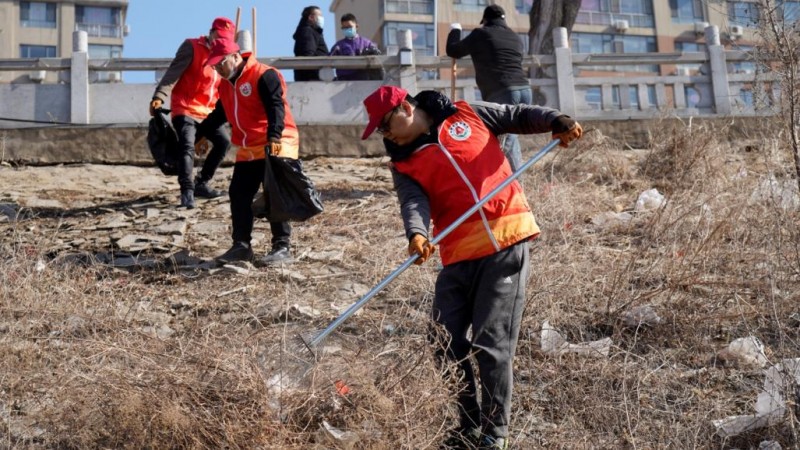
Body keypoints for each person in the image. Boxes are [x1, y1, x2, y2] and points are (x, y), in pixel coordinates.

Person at [360, 85, 582, 449]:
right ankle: (469, 425)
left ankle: (496, 433)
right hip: (458, 254)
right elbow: (413, 202)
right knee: (442, 338)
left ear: (404, 108)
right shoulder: (403, 162)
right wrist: (416, 234)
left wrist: (554, 120)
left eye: (384, 126)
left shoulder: (468, 114)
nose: (384, 135)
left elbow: (516, 115)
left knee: (491, 341)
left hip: (505, 241)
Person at [199, 37, 300, 265]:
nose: (217, 69)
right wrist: (201, 135)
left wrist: (274, 135)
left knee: (274, 192)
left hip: (276, 140)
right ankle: (241, 246)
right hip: (248, 146)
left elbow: (276, 106)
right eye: (213, 65)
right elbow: (219, 115)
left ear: (235, 56)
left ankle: (282, 247)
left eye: (220, 63)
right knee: (239, 193)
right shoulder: (225, 85)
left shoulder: (264, 74)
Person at [149, 17, 234, 209]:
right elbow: (173, 73)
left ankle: (201, 183)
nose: (219, 41)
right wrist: (159, 96)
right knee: (187, 146)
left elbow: (226, 87)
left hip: (208, 112)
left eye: (224, 39)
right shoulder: (191, 46)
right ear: (211, 32)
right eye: (218, 37)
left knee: (224, 142)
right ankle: (186, 191)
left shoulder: (225, 56)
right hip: (186, 107)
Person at [446, 4, 531, 172]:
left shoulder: (481, 34)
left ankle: (512, 182)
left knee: (505, 138)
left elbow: (453, 50)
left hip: (503, 91)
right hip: (524, 90)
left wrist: (455, 30)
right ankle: (512, 178)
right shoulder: (514, 37)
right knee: (511, 136)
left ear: (485, 20)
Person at [329, 13, 381, 81]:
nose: (347, 29)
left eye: (349, 27)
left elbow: (378, 57)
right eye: (344, 28)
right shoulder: (339, 46)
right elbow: (328, 61)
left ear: (356, 26)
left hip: (364, 82)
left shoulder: (367, 43)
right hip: (343, 82)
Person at [293, 5, 329, 82]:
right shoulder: (308, 31)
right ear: (311, 17)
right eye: (320, 16)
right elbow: (308, 56)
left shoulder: (311, 32)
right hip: (313, 80)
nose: (322, 18)